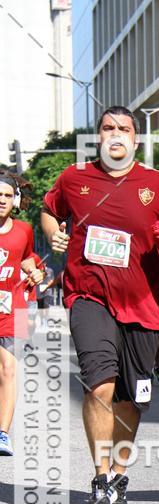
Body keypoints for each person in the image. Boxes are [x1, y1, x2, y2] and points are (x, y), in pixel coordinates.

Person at [41, 105, 159, 504]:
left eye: (124, 128)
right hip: (89, 296)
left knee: (131, 398)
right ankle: (100, 476)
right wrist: (55, 234)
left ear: (135, 139)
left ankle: (120, 473)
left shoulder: (157, 186)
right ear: (98, 136)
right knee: (99, 383)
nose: (115, 134)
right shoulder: (75, 178)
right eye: (108, 128)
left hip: (142, 304)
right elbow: (50, 211)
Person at [0, 173, 44, 456]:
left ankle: (2, 434)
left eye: (6, 196)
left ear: (14, 200)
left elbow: (27, 258)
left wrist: (34, 270)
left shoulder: (24, 230)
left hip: (14, 310)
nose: (0, 201)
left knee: (8, 369)